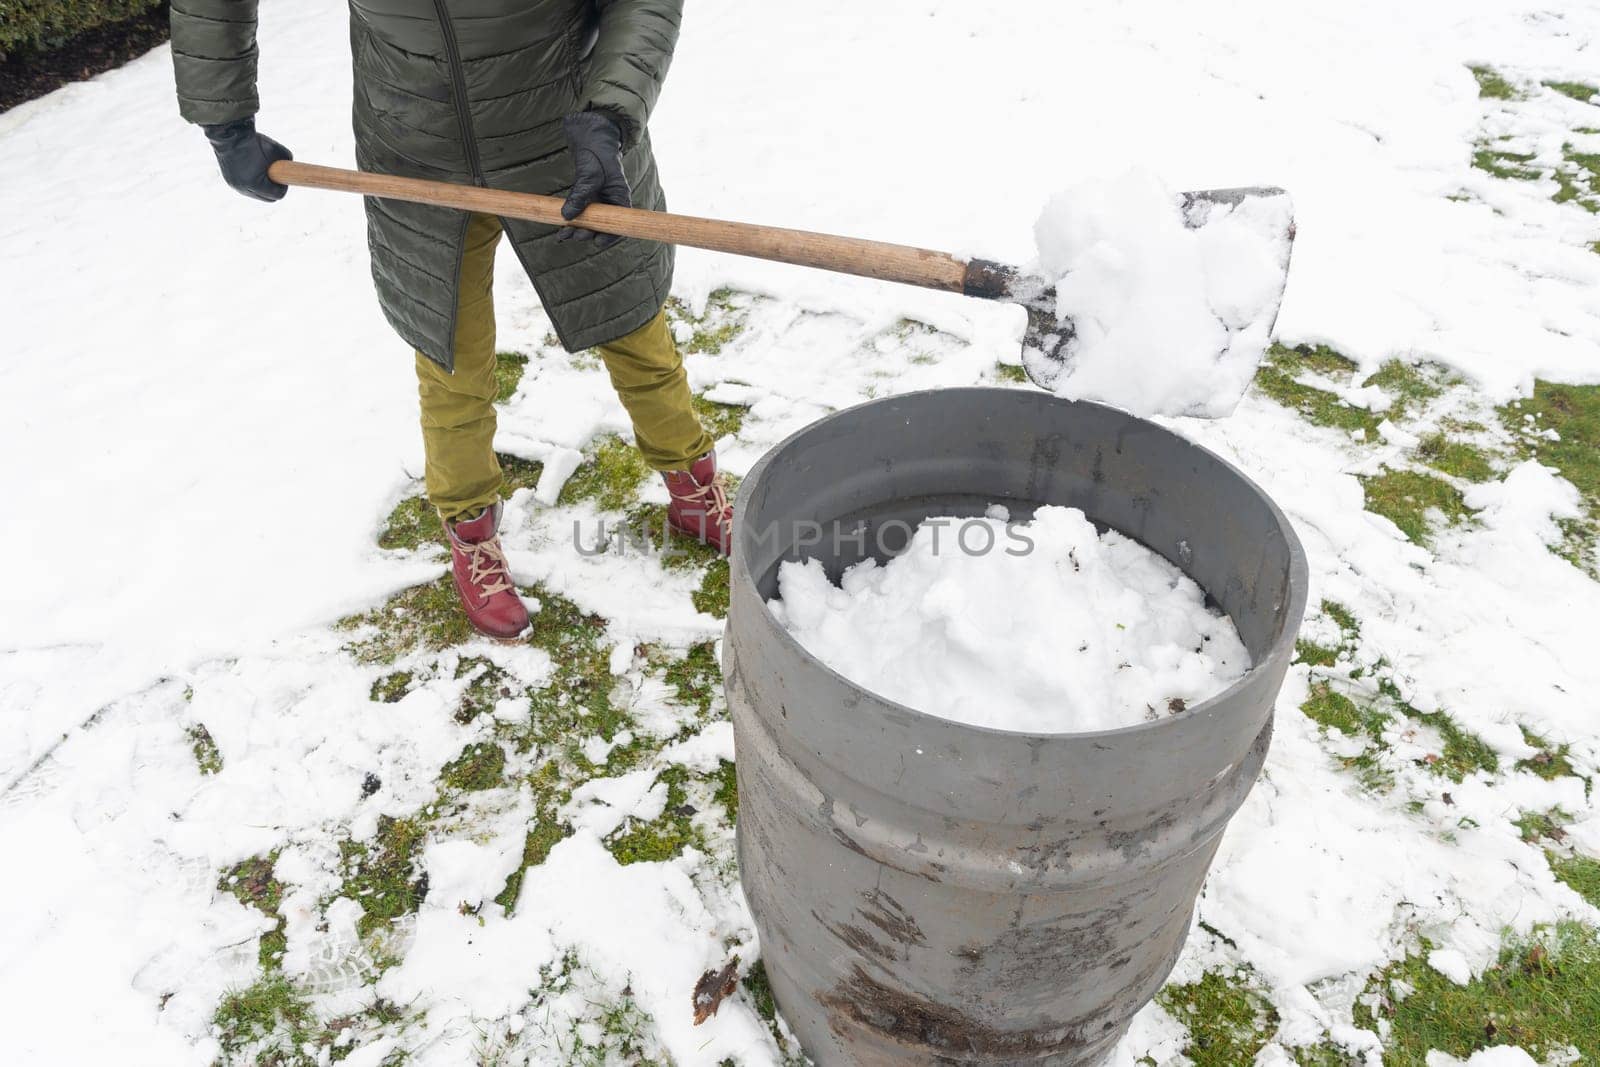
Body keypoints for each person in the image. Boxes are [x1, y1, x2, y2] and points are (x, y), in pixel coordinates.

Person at [169, 0, 732, 641]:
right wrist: (225, 121)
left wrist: (612, 111)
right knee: (450, 352)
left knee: (628, 318)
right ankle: (471, 535)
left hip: (567, 133)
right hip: (413, 147)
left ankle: (693, 486)